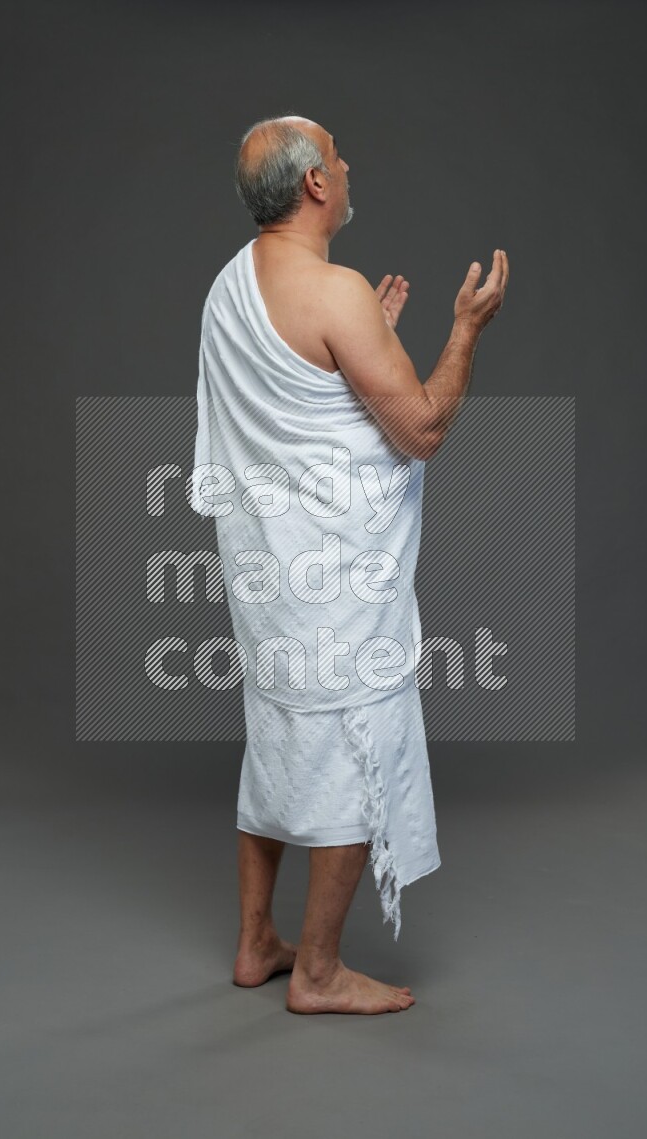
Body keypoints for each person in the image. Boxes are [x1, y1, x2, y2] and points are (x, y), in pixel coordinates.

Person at [192, 114, 509, 1014]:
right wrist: (463, 329)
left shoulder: (227, 286)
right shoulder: (333, 293)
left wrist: (366, 338)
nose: (346, 163)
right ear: (316, 186)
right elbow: (420, 430)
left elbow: (296, 406)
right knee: (347, 743)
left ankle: (257, 942)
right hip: (333, 584)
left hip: (265, 576)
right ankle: (321, 972)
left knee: (278, 739)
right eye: (335, 156)